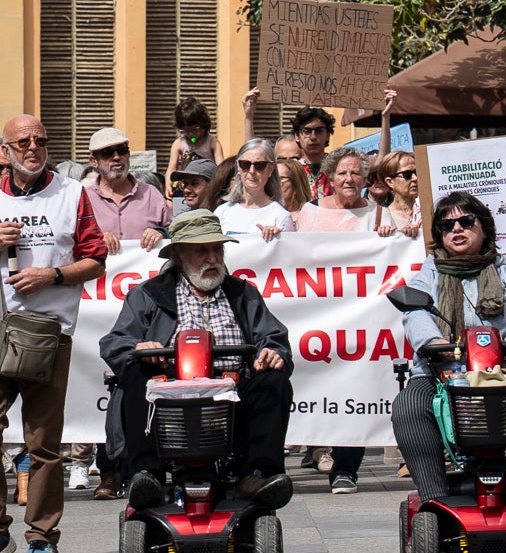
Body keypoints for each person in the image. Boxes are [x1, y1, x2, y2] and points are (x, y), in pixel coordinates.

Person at [0, 113, 108, 553]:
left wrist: (52, 274)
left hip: (48, 333)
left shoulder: (72, 193)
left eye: (40, 139)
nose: (33, 148)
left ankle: (42, 535)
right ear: (5, 150)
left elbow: (96, 260)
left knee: (43, 443)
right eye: (22, 142)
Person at [101, 210, 294, 505]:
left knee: (273, 380)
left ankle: (258, 474)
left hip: (232, 395)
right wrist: (138, 348)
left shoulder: (243, 293)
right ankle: (147, 474)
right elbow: (115, 342)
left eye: (217, 249)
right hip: (170, 398)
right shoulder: (149, 294)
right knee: (137, 372)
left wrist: (273, 352)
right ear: (179, 254)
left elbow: (272, 336)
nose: (212, 258)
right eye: (201, 251)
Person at [392, 193, 506, 504]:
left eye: (466, 222)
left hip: (503, 372)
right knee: (409, 407)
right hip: (440, 373)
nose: (457, 229)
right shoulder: (429, 273)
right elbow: (414, 311)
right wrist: (432, 342)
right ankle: (435, 498)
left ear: (485, 228)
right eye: (446, 225)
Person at [74, 127, 172, 496]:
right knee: (91, 383)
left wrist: (161, 234)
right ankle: (107, 471)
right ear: (94, 161)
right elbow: (71, 240)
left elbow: (173, 237)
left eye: (122, 151)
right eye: (108, 153)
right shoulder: (81, 197)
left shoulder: (152, 195)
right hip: (95, 308)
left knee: (134, 384)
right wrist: (95, 241)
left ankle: (138, 467)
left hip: (141, 313)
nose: (117, 158)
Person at [294, 148, 378, 491]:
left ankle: (346, 467)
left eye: (356, 173)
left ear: (365, 179)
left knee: (353, 386)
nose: (349, 179)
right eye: (342, 173)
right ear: (329, 176)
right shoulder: (308, 214)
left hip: (359, 318)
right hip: (316, 317)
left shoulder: (377, 214)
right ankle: (313, 449)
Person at [215, 138, 294, 241]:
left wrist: (277, 239)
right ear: (238, 167)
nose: (252, 171)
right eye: (245, 164)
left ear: (270, 170)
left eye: (259, 165)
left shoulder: (281, 217)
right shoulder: (222, 212)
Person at [371, 150, 423, 239]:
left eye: (416, 172)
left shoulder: (431, 210)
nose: (415, 178)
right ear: (390, 182)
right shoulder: (381, 218)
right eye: (407, 174)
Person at [165, 98, 220, 181]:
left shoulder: (212, 142)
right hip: (187, 182)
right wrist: (168, 183)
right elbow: (171, 169)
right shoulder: (179, 143)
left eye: (194, 130)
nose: (190, 134)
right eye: (185, 130)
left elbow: (221, 167)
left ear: (203, 125)